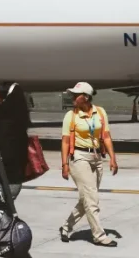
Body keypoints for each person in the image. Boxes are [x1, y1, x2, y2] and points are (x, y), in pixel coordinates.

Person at [59, 82, 119, 247]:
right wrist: (64, 164)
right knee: (92, 198)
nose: (71, 97)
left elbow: (106, 136)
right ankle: (99, 236)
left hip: (96, 156)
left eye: (75, 94)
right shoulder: (70, 116)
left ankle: (66, 227)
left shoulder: (100, 112)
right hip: (79, 157)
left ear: (85, 97)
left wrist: (113, 158)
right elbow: (65, 142)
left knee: (86, 198)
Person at [0, 82, 30, 200]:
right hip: (13, 180)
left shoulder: (4, 124)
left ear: (3, 98)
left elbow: (2, 153)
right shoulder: (17, 123)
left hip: (4, 181)